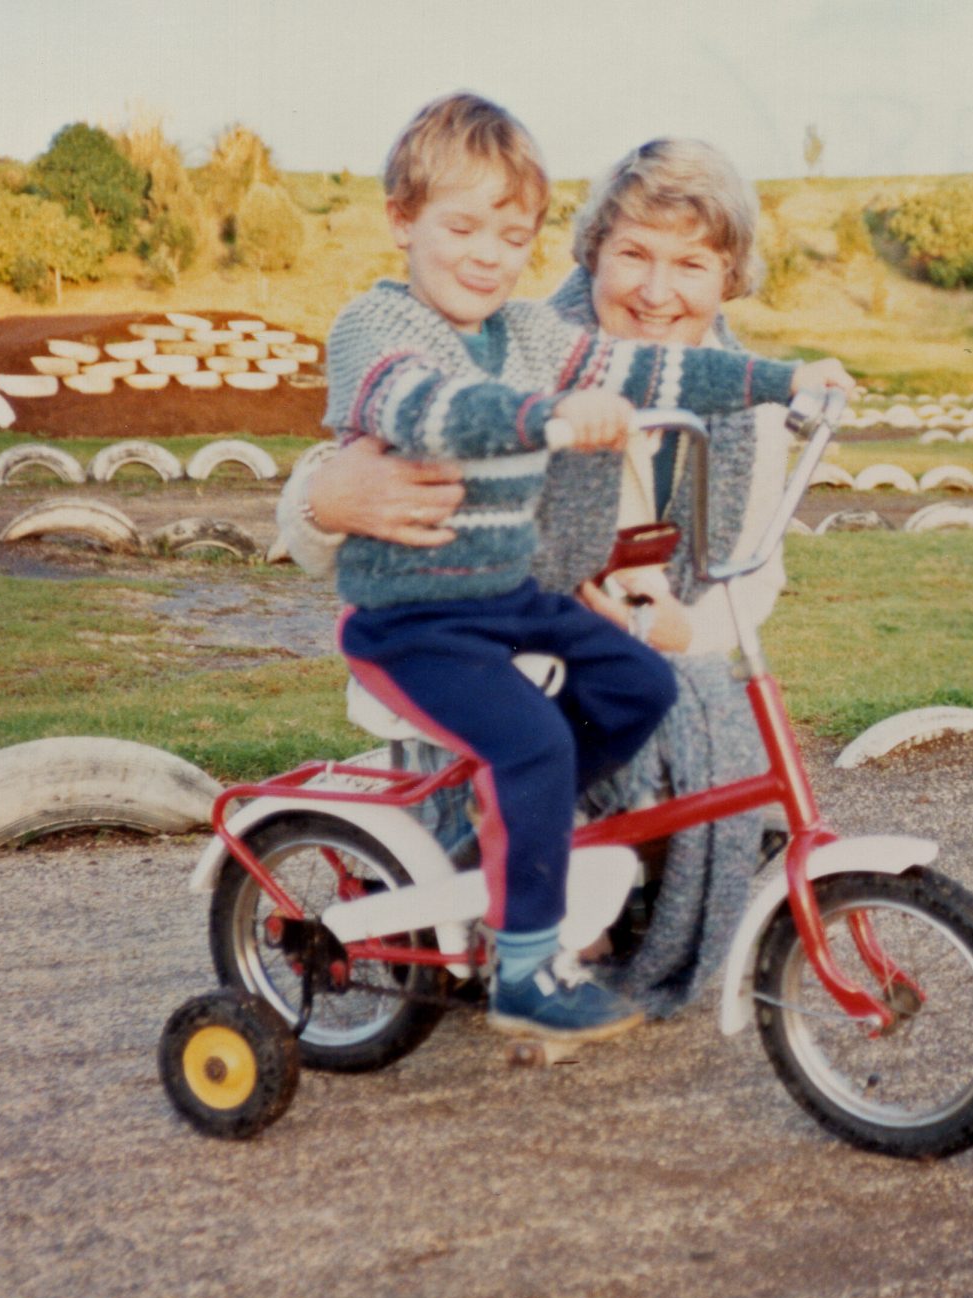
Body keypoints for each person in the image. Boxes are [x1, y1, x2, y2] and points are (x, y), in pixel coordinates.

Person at [322, 93, 854, 1046]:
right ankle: (525, 958)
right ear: (592, 254)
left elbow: (664, 390)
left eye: (691, 263)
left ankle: (545, 828)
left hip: (519, 607)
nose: (658, 290)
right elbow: (428, 409)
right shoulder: (423, 332)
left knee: (646, 684)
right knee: (534, 740)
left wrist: (786, 380)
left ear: (729, 279)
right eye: (634, 256)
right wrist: (537, 421)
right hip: (426, 619)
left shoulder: (541, 341)